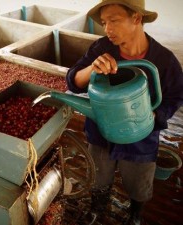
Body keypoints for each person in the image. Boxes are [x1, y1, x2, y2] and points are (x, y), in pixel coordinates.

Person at [66, 0, 183, 224]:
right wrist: (93, 67)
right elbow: (73, 82)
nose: (107, 29)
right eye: (104, 22)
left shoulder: (164, 60)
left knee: (138, 185)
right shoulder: (101, 48)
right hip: (101, 134)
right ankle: (97, 209)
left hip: (140, 139)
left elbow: (176, 95)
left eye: (114, 20)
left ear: (136, 19)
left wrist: (156, 115)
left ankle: (135, 216)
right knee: (99, 178)